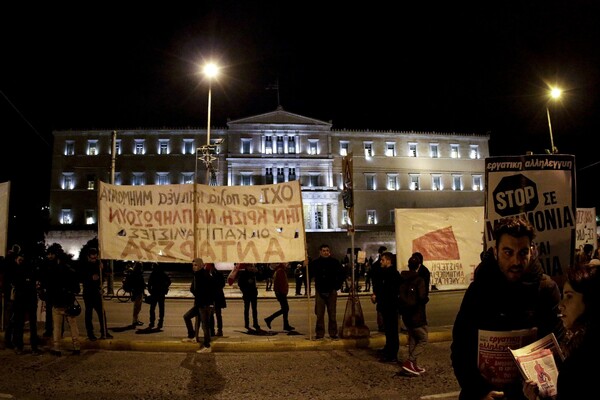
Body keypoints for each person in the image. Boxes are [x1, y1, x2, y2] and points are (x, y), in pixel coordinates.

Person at [451, 216, 562, 400]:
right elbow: (461, 347)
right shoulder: (479, 289)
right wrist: (479, 391)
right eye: (508, 253)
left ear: (532, 251)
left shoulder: (546, 289)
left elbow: (556, 343)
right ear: (495, 252)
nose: (516, 262)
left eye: (522, 253)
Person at [522, 262, 600, 399]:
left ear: (590, 301)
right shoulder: (578, 343)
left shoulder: (582, 359)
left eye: (569, 296)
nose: (561, 305)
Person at [46, 251, 81, 356]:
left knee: (57, 327)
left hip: (57, 303)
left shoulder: (53, 271)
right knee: (73, 325)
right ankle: (76, 346)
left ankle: (57, 348)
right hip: (69, 303)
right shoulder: (72, 271)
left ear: (58, 260)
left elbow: (50, 288)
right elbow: (77, 289)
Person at [399, 255, 429, 375]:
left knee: (412, 338)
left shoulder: (402, 278)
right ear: (418, 266)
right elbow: (422, 297)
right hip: (417, 315)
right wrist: (426, 299)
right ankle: (410, 361)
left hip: (406, 315)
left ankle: (413, 366)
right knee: (423, 339)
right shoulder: (419, 280)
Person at [309, 244, 345, 339]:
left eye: (327, 250)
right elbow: (309, 274)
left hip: (331, 291)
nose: (325, 252)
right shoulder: (315, 263)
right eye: (324, 250)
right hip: (320, 291)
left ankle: (333, 333)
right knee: (319, 314)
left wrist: (337, 286)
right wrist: (306, 265)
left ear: (329, 252)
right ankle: (320, 333)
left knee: (332, 314)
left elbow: (341, 274)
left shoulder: (335, 262)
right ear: (320, 252)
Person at [9, 251, 42, 355]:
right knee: (31, 324)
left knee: (20, 323)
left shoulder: (17, 269)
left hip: (21, 299)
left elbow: (14, 283)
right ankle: (33, 347)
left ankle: (20, 346)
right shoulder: (32, 269)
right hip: (29, 299)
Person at [373, 251, 401, 362]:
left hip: (391, 306)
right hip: (386, 306)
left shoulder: (392, 274)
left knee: (392, 331)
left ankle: (392, 355)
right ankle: (388, 349)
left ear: (389, 261)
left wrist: (378, 297)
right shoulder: (385, 272)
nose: (381, 262)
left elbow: (388, 291)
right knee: (388, 331)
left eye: (383, 260)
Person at [81, 247, 112, 340]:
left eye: (95, 257)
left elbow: (105, 274)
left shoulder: (98, 264)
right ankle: (90, 333)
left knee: (102, 313)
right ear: (88, 257)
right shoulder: (85, 265)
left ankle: (104, 331)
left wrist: (102, 269)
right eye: (92, 258)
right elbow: (82, 277)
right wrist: (90, 277)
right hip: (88, 292)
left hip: (97, 292)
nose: (94, 259)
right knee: (89, 313)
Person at [229, 263, 262, 331]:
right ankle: (247, 324)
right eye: (250, 266)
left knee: (254, 310)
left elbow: (260, 278)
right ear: (246, 267)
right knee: (246, 309)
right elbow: (240, 284)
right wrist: (246, 284)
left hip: (253, 294)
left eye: (252, 266)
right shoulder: (243, 274)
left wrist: (257, 272)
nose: (251, 267)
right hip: (247, 294)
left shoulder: (253, 273)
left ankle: (255, 323)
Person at [264, 263, 295, 331]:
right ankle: (269, 319)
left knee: (285, 309)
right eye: (286, 263)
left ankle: (285, 325)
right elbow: (280, 283)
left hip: (281, 293)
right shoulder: (280, 271)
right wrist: (283, 292)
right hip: (281, 293)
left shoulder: (281, 270)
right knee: (285, 309)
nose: (287, 264)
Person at [147, 262, 171, 329]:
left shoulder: (153, 274)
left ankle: (152, 322)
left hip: (155, 292)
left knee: (152, 309)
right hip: (160, 293)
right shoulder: (162, 273)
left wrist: (150, 290)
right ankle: (160, 323)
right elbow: (169, 281)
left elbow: (149, 283)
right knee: (161, 308)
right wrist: (165, 287)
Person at [370, 245, 388, 332]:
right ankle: (381, 326)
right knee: (380, 308)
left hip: (386, 289)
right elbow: (374, 280)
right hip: (380, 289)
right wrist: (374, 293)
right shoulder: (376, 266)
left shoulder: (389, 266)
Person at [206, 262, 226, 337]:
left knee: (218, 315)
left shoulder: (218, 274)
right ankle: (212, 331)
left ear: (212, 267)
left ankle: (219, 330)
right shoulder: (207, 274)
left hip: (217, 297)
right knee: (211, 315)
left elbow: (222, 284)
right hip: (211, 297)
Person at [129, 261, 146, 326]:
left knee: (136, 307)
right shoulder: (138, 274)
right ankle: (135, 321)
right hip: (138, 292)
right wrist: (144, 292)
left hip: (135, 292)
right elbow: (141, 284)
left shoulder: (134, 273)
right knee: (137, 307)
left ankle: (135, 320)